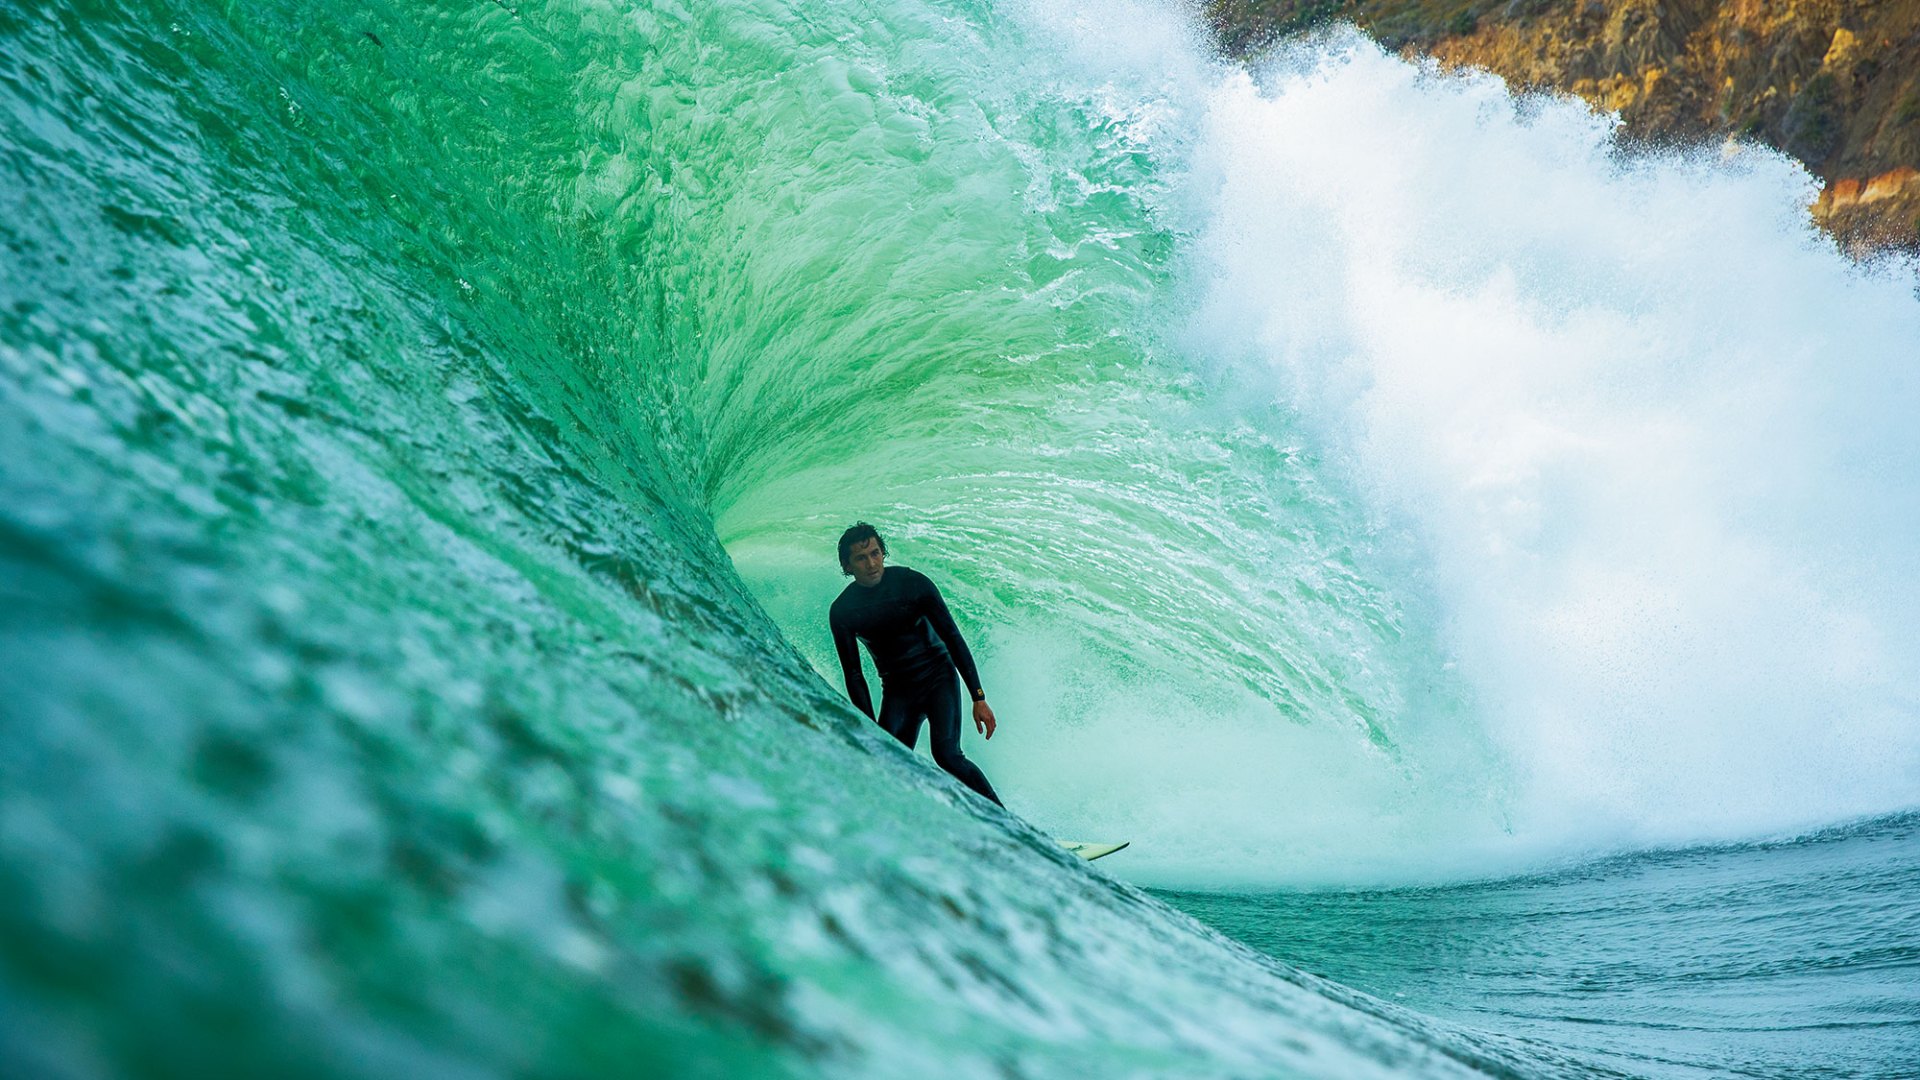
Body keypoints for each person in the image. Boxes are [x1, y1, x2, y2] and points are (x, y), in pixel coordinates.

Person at [828, 521, 1003, 806]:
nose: (871, 564)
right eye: (860, 558)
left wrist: (978, 697)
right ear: (847, 566)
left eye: (875, 553)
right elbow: (854, 674)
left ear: (883, 553)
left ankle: (1002, 817)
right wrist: (869, 727)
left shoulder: (913, 584)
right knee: (885, 759)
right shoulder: (843, 611)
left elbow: (953, 638)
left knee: (947, 755)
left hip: (938, 678)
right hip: (898, 691)